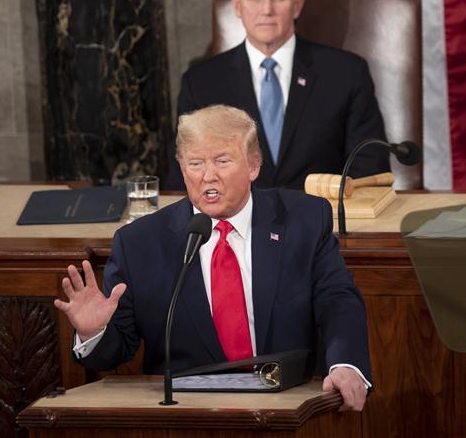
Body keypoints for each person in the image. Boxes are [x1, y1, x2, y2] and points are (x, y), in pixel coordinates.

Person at [55, 105, 372, 411]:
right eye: (195, 164)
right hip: (187, 415)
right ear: (181, 168)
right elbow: (115, 351)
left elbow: (338, 300)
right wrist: (93, 332)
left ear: (253, 165)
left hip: (287, 406)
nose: (208, 177)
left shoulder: (304, 220)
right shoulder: (139, 243)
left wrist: (346, 364)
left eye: (222, 161)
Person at [164, 0, 390, 192]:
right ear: (237, 5)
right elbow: (184, 176)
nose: (266, 9)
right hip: (235, 224)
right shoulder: (201, 82)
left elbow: (369, 169)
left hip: (324, 221)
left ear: (297, 5)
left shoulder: (346, 73)